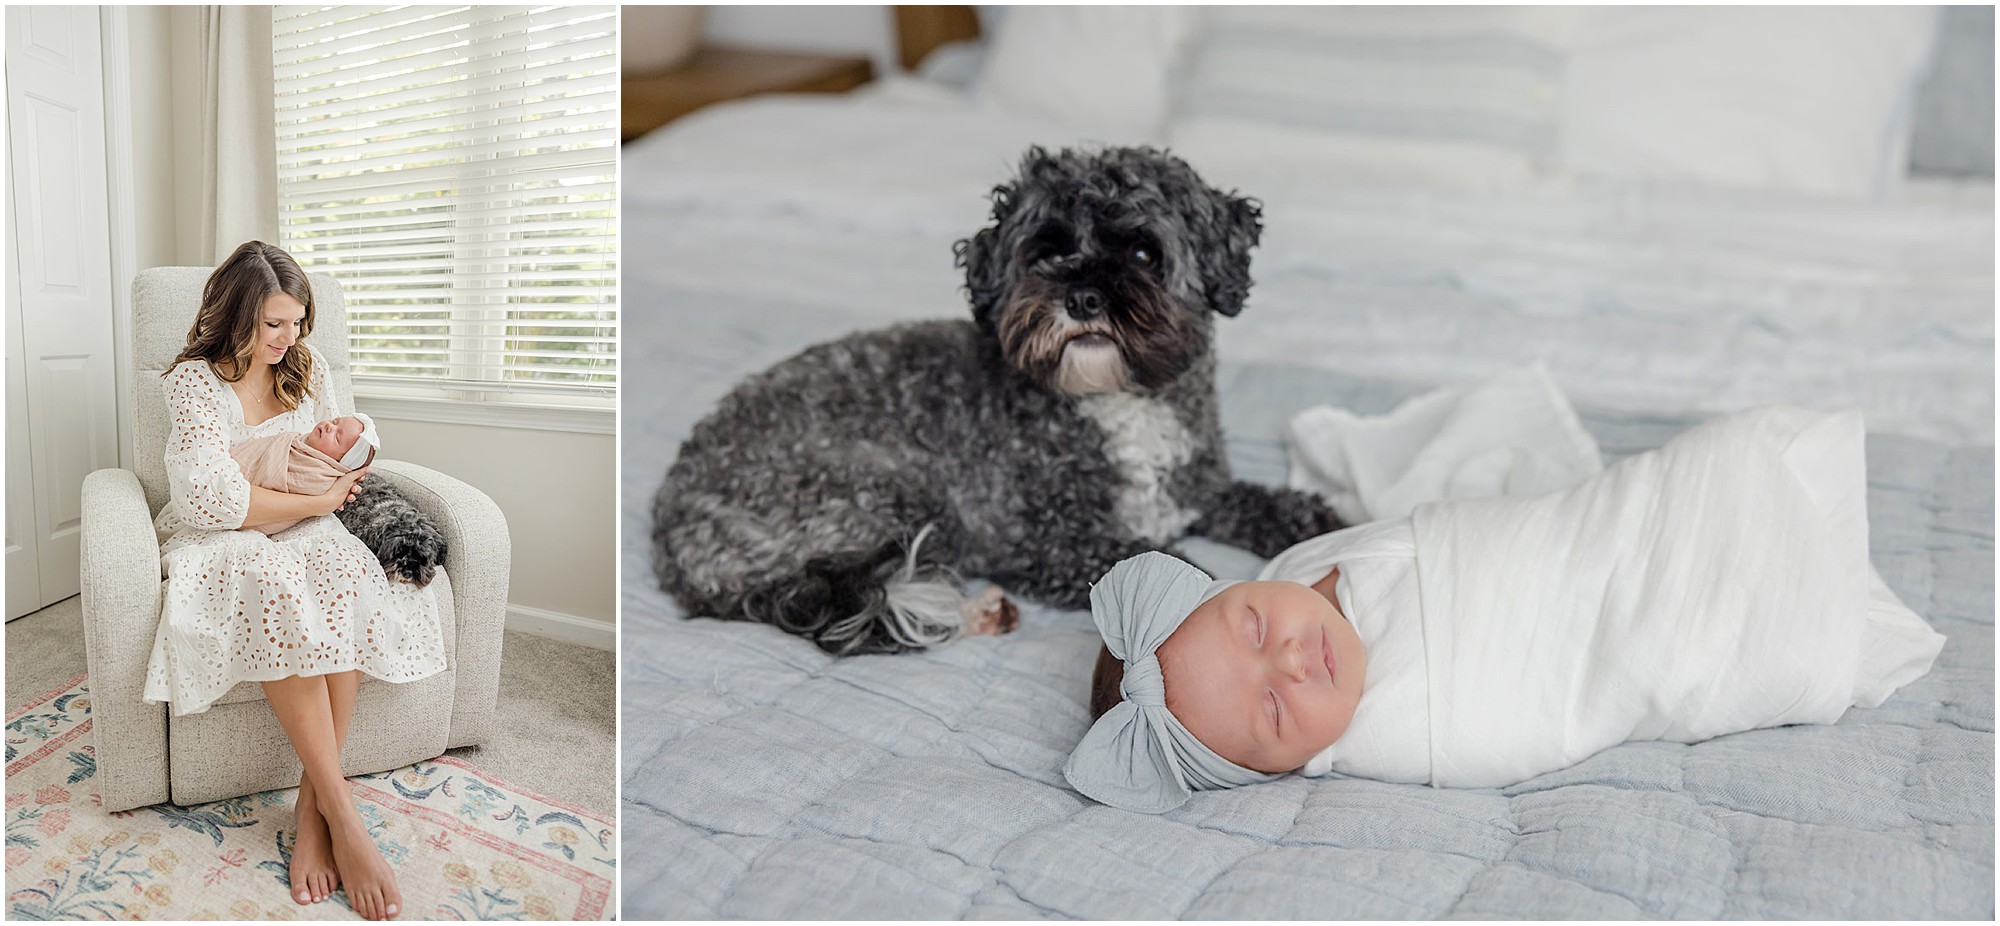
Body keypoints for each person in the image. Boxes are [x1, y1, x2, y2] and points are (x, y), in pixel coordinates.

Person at [1065, 407, 1945, 814]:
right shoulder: (1406, 731)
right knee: (1683, 619)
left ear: (1235, 590)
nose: (1292, 661)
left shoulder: (1293, 569)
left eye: (1253, 628)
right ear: (1276, 772)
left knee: (1716, 461)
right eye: (1269, 710)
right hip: (1589, 622)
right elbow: (1555, 687)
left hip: (1573, 531)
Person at [141, 241, 445, 918]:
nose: (290, 337)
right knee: (267, 577)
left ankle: (312, 812)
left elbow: (341, 467)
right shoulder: (194, 380)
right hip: (221, 533)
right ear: (237, 315)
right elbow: (215, 503)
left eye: (298, 320)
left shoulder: (307, 368)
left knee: (343, 569)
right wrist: (315, 503)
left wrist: (321, 501)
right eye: (273, 324)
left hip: (302, 520)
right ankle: (343, 812)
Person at [230, 413, 380, 535]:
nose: (329, 427)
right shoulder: (301, 442)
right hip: (225, 473)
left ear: (339, 462)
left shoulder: (318, 476)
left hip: (246, 509)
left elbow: (274, 479)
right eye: (335, 421)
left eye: (337, 437)